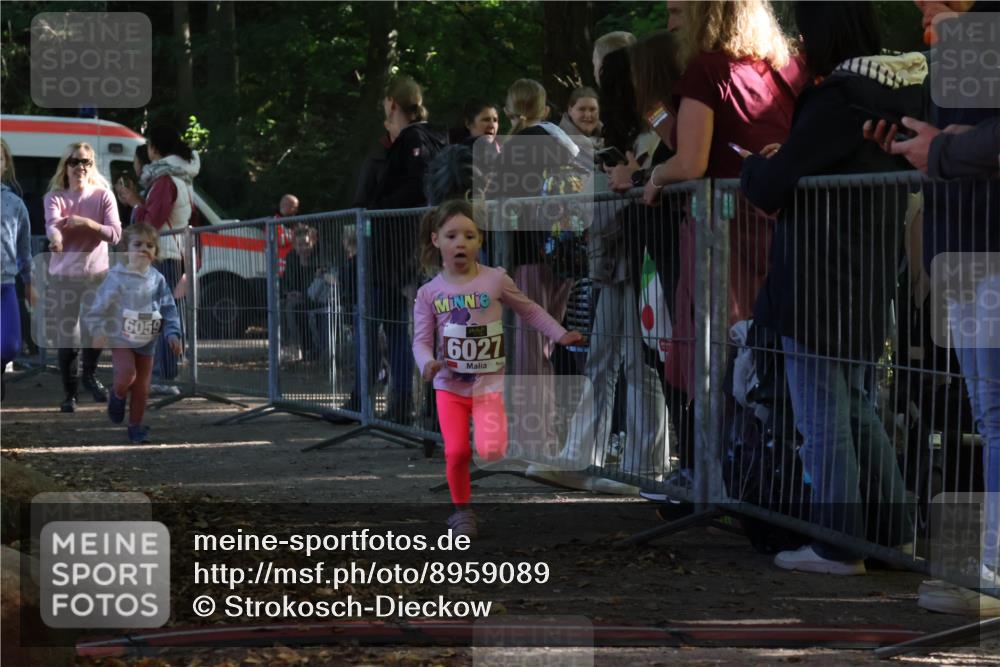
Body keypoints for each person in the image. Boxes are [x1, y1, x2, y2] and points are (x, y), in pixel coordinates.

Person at [739, 0, 924, 575]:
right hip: (867, 277)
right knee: (855, 410)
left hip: (816, 280)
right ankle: (894, 534)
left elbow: (771, 185)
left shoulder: (838, 96)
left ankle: (837, 545)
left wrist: (755, 166)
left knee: (822, 416)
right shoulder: (900, 93)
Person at [639, 0, 808, 475]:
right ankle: (762, 472)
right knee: (769, 349)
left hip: (724, 228)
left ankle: (719, 475)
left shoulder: (707, 69)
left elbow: (689, 160)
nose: (671, 24)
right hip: (781, 223)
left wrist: (654, 178)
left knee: (718, 352)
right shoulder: (785, 69)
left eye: (678, 11)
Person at [412, 199, 584, 537]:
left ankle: (477, 473)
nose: (460, 243)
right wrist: (427, 363)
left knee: (492, 450)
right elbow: (420, 340)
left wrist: (560, 334)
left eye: (469, 236)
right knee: (457, 451)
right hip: (449, 387)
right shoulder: (428, 293)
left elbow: (530, 309)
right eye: (451, 236)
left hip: (488, 388)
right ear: (436, 240)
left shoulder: (495, 279)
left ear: (480, 240)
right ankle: (462, 513)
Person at [491, 78, 590, 460]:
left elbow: (500, 203)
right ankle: (546, 435)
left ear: (509, 108)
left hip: (529, 256)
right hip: (565, 255)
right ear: (545, 107)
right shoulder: (564, 142)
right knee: (547, 344)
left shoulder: (514, 148)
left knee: (530, 349)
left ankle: (534, 440)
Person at [362, 75, 449, 423]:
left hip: (401, 248)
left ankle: (407, 403)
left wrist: (378, 208)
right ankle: (411, 403)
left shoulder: (414, 138)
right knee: (408, 326)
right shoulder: (430, 136)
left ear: (392, 103)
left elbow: (416, 186)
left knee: (402, 326)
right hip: (410, 247)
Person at [116, 127, 200, 397]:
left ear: (154, 149)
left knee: (161, 317)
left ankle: (164, 376)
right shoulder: (180, 178)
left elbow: (152, 222)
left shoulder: (165, 181)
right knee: (164, 316)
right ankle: (162, 374)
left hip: (163, 256)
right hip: (170, 254)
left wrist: (136, 204)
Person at [85, 223, 181, 443]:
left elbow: (168, 308)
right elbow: (97, 308)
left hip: (148, 339)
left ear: (155, 252)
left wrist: (172, 333)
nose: (143, 249)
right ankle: (117, 395)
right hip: (121, 337)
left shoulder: (157, 279)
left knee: (142, 388)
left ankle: (135, 427)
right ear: (126, 250)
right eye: (137, 244)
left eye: (149, 245)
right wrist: (98, 330)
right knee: (127, 375)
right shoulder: (116, 277)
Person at [43, 142, 122, 412]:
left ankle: (90, 374)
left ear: (92, 166)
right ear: (65, 166)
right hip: (64, 276)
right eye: (74, 162)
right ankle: (70, 394)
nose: (80, 167)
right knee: (69, 337)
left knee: (96, 332)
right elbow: (53, 226)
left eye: (86, 162)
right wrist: (56, 241)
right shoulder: (54, 197)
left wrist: (86, 223)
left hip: (96, 276)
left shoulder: (103, 196)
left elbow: (115, 234)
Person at [1, 139, 31, 399]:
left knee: (10, 346)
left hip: (6, 283)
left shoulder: (15, 203)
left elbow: (24, 249)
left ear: (5, 164)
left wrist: (30, 282)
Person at [281, 225, 322, 361]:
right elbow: (286, 281)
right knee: (281, 304)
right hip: (296, 297)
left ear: (313, 242)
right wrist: (288, 292)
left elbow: (316, 285)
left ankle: (296, 347)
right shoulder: (291, 257)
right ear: (294, 245)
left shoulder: (319, 258)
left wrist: (302, 294)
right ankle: (285, 347)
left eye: (306, 244)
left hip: (314, 297)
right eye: (300, 245)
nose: (303, 248)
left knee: (291, 306)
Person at [559, 87, 602, 160]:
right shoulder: (557, 143)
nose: (588, 115)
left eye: (592, 109)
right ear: (570, 110)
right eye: (582, 109)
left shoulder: (611, 141)